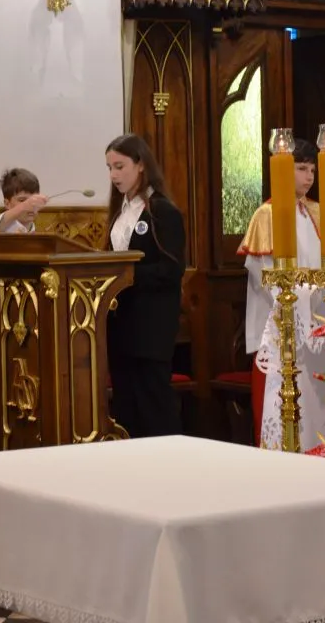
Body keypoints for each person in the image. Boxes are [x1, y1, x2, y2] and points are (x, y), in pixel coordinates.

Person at [238, 139, 325, 450]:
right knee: (279, 410)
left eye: (312, 170)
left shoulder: (317, 212)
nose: (309, 177)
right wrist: (300, 297)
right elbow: (264, 276)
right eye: (301, 168)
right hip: (278, 326)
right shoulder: (266, 215)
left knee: (317, 414)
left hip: (318, 323)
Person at [105, 133, 186, 438]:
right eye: (109, 168)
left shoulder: (162, 211)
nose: (113, 175)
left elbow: (171, 269)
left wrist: (125, 274)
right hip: (121, 324)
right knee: (126, 406)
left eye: (120, 166)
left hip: (151, 326)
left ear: (140, 165)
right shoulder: (120, 213)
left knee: (153, 404)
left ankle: (168, 460)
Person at [0, 168, 47, 380]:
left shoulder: (38, 237)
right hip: (0, 314)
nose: (30, 206)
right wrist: (21, 208)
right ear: (7, 203)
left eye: (34, 200)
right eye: (22, 200)